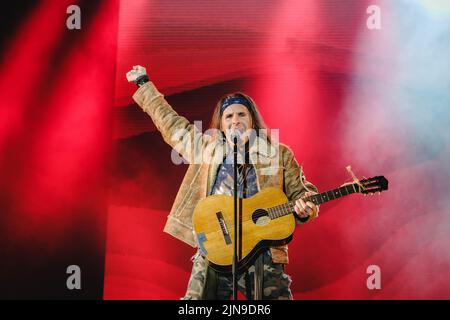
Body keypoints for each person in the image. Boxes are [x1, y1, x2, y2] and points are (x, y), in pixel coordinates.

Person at [126, 65, 319, 300]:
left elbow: (302, 192)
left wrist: (305, 207)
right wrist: (144, 84)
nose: (235, 120)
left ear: (252, 120)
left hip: (263, 252)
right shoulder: (207, 149)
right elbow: (172, 125)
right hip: (215, 247)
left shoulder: (278, 154)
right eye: (229, 116)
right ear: (221, 124)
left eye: (241, 114)